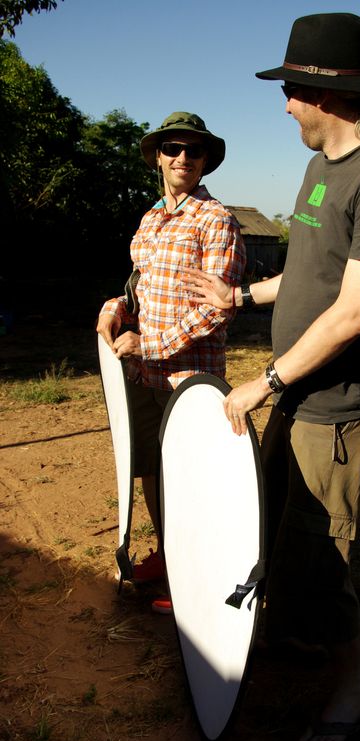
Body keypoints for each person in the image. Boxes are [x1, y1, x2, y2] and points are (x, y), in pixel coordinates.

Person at [183, 13, 360, 741]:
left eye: (292, 89)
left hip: (340, 402)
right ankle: (298, 638)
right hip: (297, 389)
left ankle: (352, 691)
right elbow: (315, 275)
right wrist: (244, 297)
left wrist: (266, 379)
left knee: (326, 551)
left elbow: (355, 313)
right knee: (279, 529)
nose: (284, 103)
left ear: (327, 92)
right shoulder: (322, 169)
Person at [97, 112, 246, 613]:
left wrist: (150, 344)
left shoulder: (216, 220)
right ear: (158, 157)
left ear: (206, 162)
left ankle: (194, 581)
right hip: (147, 374)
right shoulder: (152, 216)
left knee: (189, 476)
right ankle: (168, 558)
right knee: (153, 471)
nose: (183, 158)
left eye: (194, 151)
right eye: (173, 149)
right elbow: (139, 281)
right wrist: (118, 306)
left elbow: (214, 312)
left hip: (189, 376)